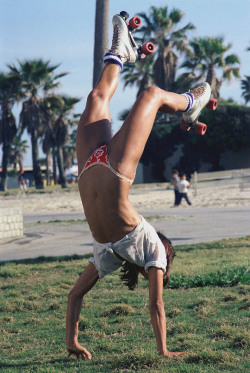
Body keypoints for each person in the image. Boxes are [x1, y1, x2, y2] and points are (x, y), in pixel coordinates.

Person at [66, 12, 213, 360]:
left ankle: (180, 97)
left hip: (91, 167)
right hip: (115, 170)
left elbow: (154, 304)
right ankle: (179, 95)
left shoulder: (118, 258)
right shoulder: (137, 253)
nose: (162, 240)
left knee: (96, 99)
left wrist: (73, 342)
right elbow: (153, 304)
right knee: (149, 95)